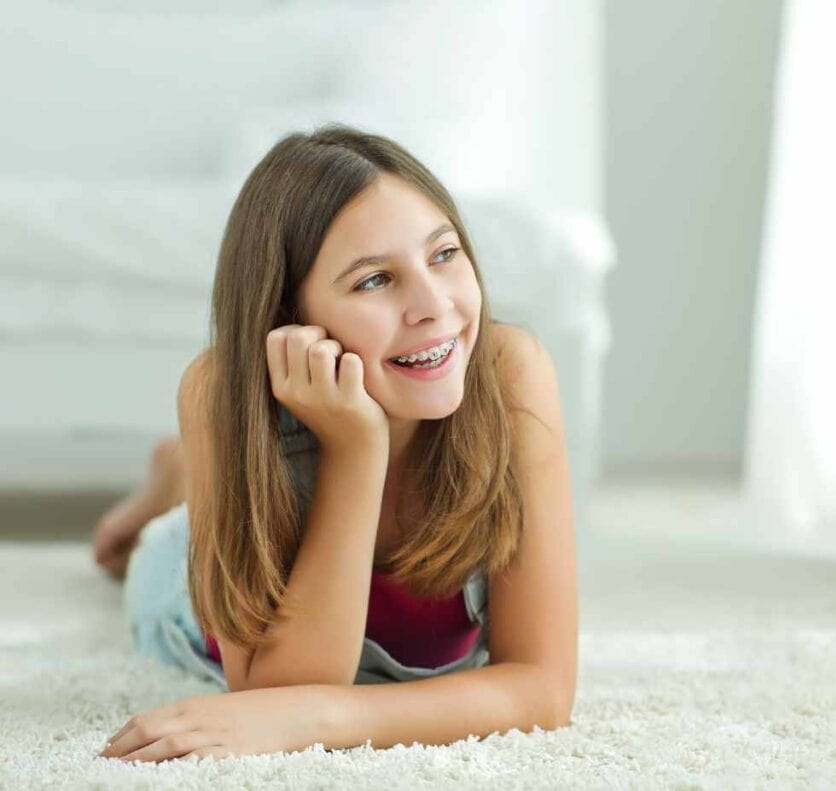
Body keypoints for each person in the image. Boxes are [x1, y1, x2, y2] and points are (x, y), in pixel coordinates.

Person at [93, 125, 578, 763]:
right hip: (179, 590)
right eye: (374, 280)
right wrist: (355, 451)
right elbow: (269, 693)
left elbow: (543, 689)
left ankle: (181, 472)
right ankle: (175, 488)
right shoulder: (220, 396)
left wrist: (331, 713)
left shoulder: (509, 372)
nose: (434, 306)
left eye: (443, 254)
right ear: (289, 321)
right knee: (132, 553)